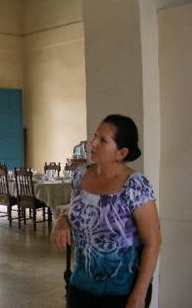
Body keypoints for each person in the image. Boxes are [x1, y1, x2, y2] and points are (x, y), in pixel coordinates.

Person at [50, 114, 161, 308]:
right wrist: (62, 220)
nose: (93, 143)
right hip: (80, 287)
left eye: (103, 140)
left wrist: (139, 294)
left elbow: (153, 242)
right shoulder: (80, 175)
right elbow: (74, 209)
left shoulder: (135, 186)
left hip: (122, 293)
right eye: (95, 136)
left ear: (121, 153)